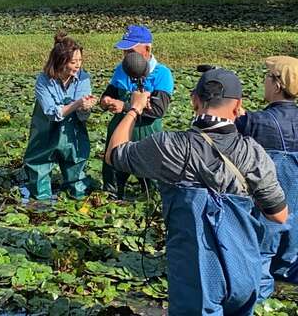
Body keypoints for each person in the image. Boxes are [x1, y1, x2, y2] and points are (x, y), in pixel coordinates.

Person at [105, 67, 288, 315]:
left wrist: (134, 109)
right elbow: (279, 215)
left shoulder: (169, 146)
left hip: (196, 275)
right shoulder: (254, 153)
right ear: (237, 107)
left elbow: (115, 153)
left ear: (194, 101)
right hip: (244, 268)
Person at [236, 56, 298, 301]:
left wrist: (239, 116)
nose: (264, 81)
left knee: (261, 253)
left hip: (269, 208)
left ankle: (259, 300)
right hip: (296, 210)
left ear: (277, 84)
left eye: (267, 76)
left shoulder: (255, 121)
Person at [100, 25, 174, 198]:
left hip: (147, 135)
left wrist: (125, 107)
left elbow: (157, 110)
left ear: (147, 49)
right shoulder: (121, 69)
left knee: (150, 187)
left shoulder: (162, 74)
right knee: (112, 179)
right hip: (119, 131)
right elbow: (110, 92)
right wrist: (106, 101)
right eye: (125, 53)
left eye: (131, 52)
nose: (127, 57)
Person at [23, 32, 97, 200]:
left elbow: (83, 113)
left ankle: (77, 196)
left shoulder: (83, 78)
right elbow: (52, 112)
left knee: (76, 165)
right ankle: (41, 202)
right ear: (60, 62)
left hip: (73, 131)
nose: (78, 65)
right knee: (39, 166)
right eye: (73, 62)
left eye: (80, 61)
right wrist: (77, 103)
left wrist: (85, 107)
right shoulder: (43, 80)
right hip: (46, 130)